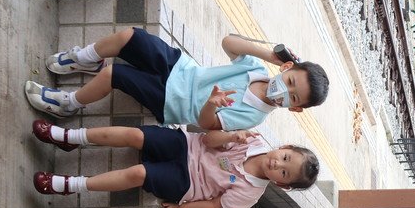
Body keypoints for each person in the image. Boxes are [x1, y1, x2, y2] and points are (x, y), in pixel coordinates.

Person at [30, 120, 319, 208]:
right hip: (186, 145)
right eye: (284, 158)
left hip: (187, 182)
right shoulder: (253, 140)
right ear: (284, 146)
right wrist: (233, 135)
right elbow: (208, 140)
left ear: (282, 185)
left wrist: (179, 207)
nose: (277, 165)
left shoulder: (250, 194)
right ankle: (69, 136)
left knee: (139, 173)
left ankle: (69, 185)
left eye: (284, 172)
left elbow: (214, 204)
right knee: (135, 135)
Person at [25, 28, 329, 130]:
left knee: (113, 74)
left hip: (172, 101)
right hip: (180, 68)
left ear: (295, 108)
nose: (284, 91)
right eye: (290, 81)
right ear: (287, 68)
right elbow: (229, 42)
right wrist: (269, 55)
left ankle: (69, 103)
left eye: (292, 97)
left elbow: (206, 124)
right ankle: (86, 57)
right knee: (130, 36)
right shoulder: (256, 69)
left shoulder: (254, 116)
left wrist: (212, 104)